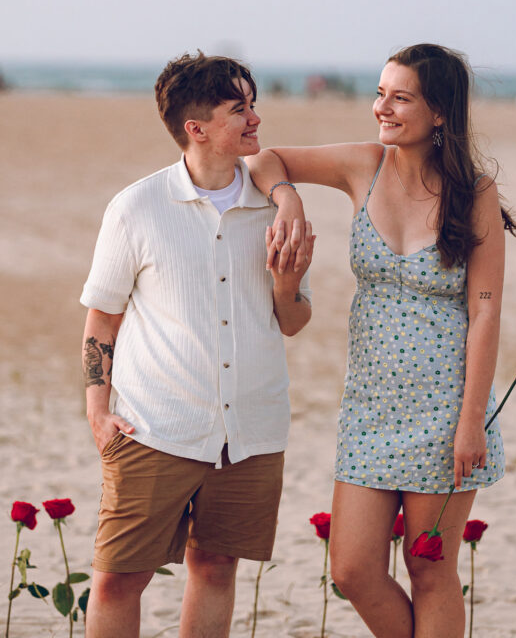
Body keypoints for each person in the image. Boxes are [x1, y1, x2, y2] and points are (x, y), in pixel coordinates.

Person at [247, 43, 516, 638]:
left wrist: (471, 421)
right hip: (370, 407)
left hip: (446, 408)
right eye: (380, 93)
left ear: (440, 112)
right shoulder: (362, 165)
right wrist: (288, 197)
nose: (382, 108)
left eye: (400, 97)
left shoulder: (475, 195)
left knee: (430, 568)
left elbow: (486, 313)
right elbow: (264, 160)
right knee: (351, 568)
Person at [80, 52, 314, 638]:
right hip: (155, 425)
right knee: (117, 578)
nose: (256, 118)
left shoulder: (272, 207)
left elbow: (294, 321)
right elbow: (102, 318)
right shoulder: (137, 207)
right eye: (240, 108)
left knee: (215, 566)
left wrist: (287, 282)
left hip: (252, 432)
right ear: (197, 127)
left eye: (254, 103)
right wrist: (97, 412)